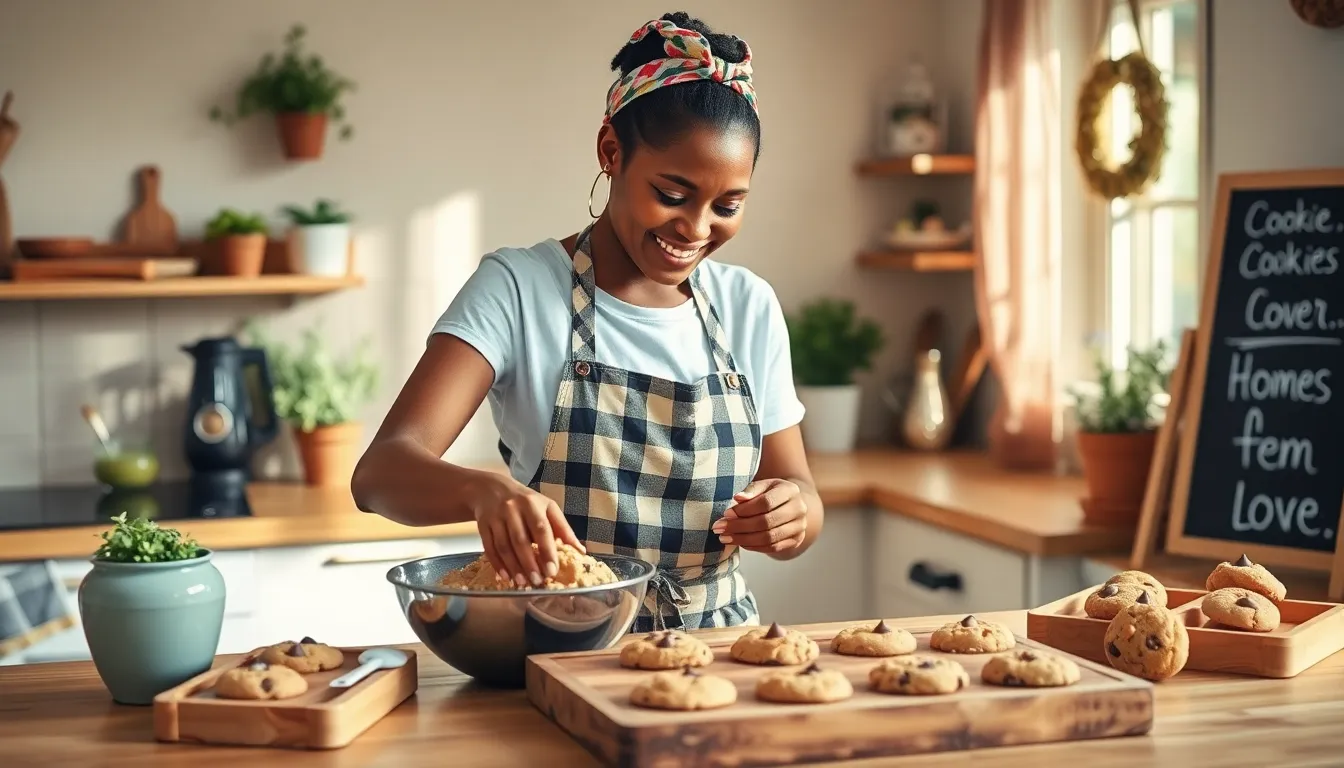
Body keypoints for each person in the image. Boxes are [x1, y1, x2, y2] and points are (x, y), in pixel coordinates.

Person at [351, 11, 824, 632]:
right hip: (563, 643)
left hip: (720, 651)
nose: (697, 228)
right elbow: (381, 473)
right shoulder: (519, 288)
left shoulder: (748, 306)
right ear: (611, 152)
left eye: (728, 205)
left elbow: (798, 488)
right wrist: (480, 491)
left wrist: (795, 515)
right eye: (673, 195)